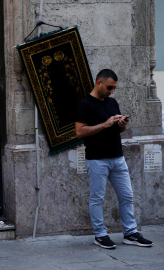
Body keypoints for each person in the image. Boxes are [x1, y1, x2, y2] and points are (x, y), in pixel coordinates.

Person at [75, 69, 153, 249]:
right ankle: (100, 235)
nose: (112, 91)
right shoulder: (84, 104)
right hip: (97, 159)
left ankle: (130, 233)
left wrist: (121, 125)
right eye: (109, 87)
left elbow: (118, 130)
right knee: (97, 198)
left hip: (117, 157)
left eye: (114, 88)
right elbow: (79, 131)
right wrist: (106, 124)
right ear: (99, 83)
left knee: (127, 196)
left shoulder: (112, 102)